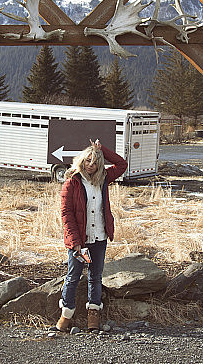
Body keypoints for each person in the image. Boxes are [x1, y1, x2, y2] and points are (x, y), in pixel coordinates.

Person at [55, 139, 127, 332]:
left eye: (95, 162)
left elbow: (122, 164)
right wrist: (75, 241)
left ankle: (93, 314)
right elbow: (66, 214)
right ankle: (66, 314)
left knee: (95, 277)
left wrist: (101, 149)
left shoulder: (103, 179)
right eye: (87, 161)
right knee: (73, 276)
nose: (90, 165)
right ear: (81, 161)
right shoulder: (72, 182)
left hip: (99, 237)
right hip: (79, 241)